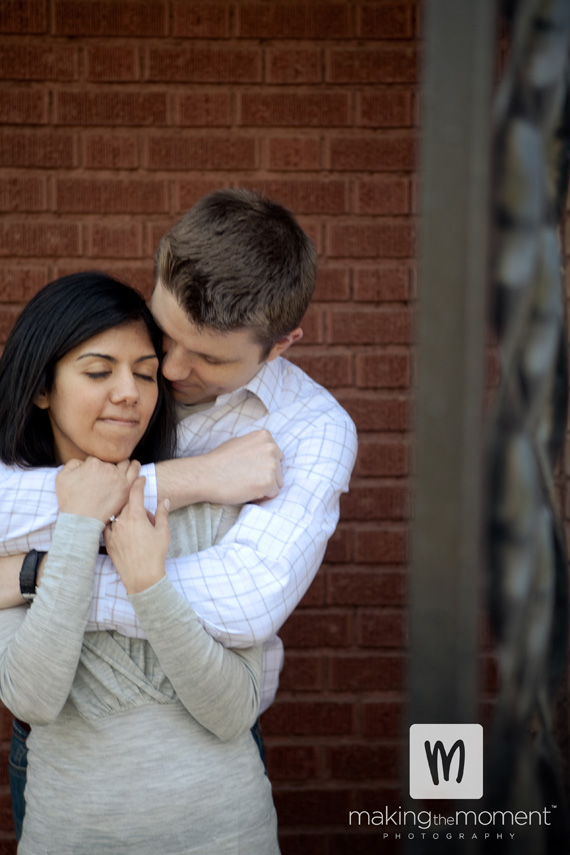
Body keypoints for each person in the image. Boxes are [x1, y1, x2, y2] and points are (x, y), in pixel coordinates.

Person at [0, 188, 358, 828]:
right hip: (64, 766)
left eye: (210, 358)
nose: (165, 370)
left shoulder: (312, 430)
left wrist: (33, 577)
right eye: (165, 335)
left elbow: (245, 602)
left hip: (210, 751)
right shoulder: (119, 373)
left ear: (280, 346)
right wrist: (194, 478)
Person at [0, 271, 280, 853]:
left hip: (229, 835)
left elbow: (233, 713)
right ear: (41, 387)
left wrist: (150, 583)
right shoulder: (14, 525)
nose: (129, 392)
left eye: (146, 373)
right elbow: (32, 699)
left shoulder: (209, 507)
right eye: (99, 371)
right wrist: (76, 529)